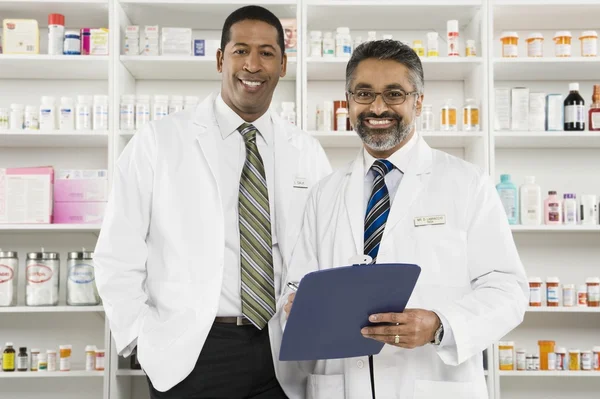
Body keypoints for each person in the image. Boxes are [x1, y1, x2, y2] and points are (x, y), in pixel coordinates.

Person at [93, 5, 331, 398]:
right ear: (221, 59)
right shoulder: (160, 141)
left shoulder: (306, 150)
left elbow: (323, 246)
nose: (252, 65)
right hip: (192, 351)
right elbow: (117, 252)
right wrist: (141, 339)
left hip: (281, 352)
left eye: (267, 53)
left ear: (283, 65)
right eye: (240, 51)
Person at [281, 39, 528, 399]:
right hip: (341, 386)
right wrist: (297, 303)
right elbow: (296, 284)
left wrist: (440, 326)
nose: (377, 107)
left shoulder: (466, 183)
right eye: (363, 93)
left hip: (431, 382)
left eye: (394, 93)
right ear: (349, 100)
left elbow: (508, 290)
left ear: (419, 101)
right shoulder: (325, 193)